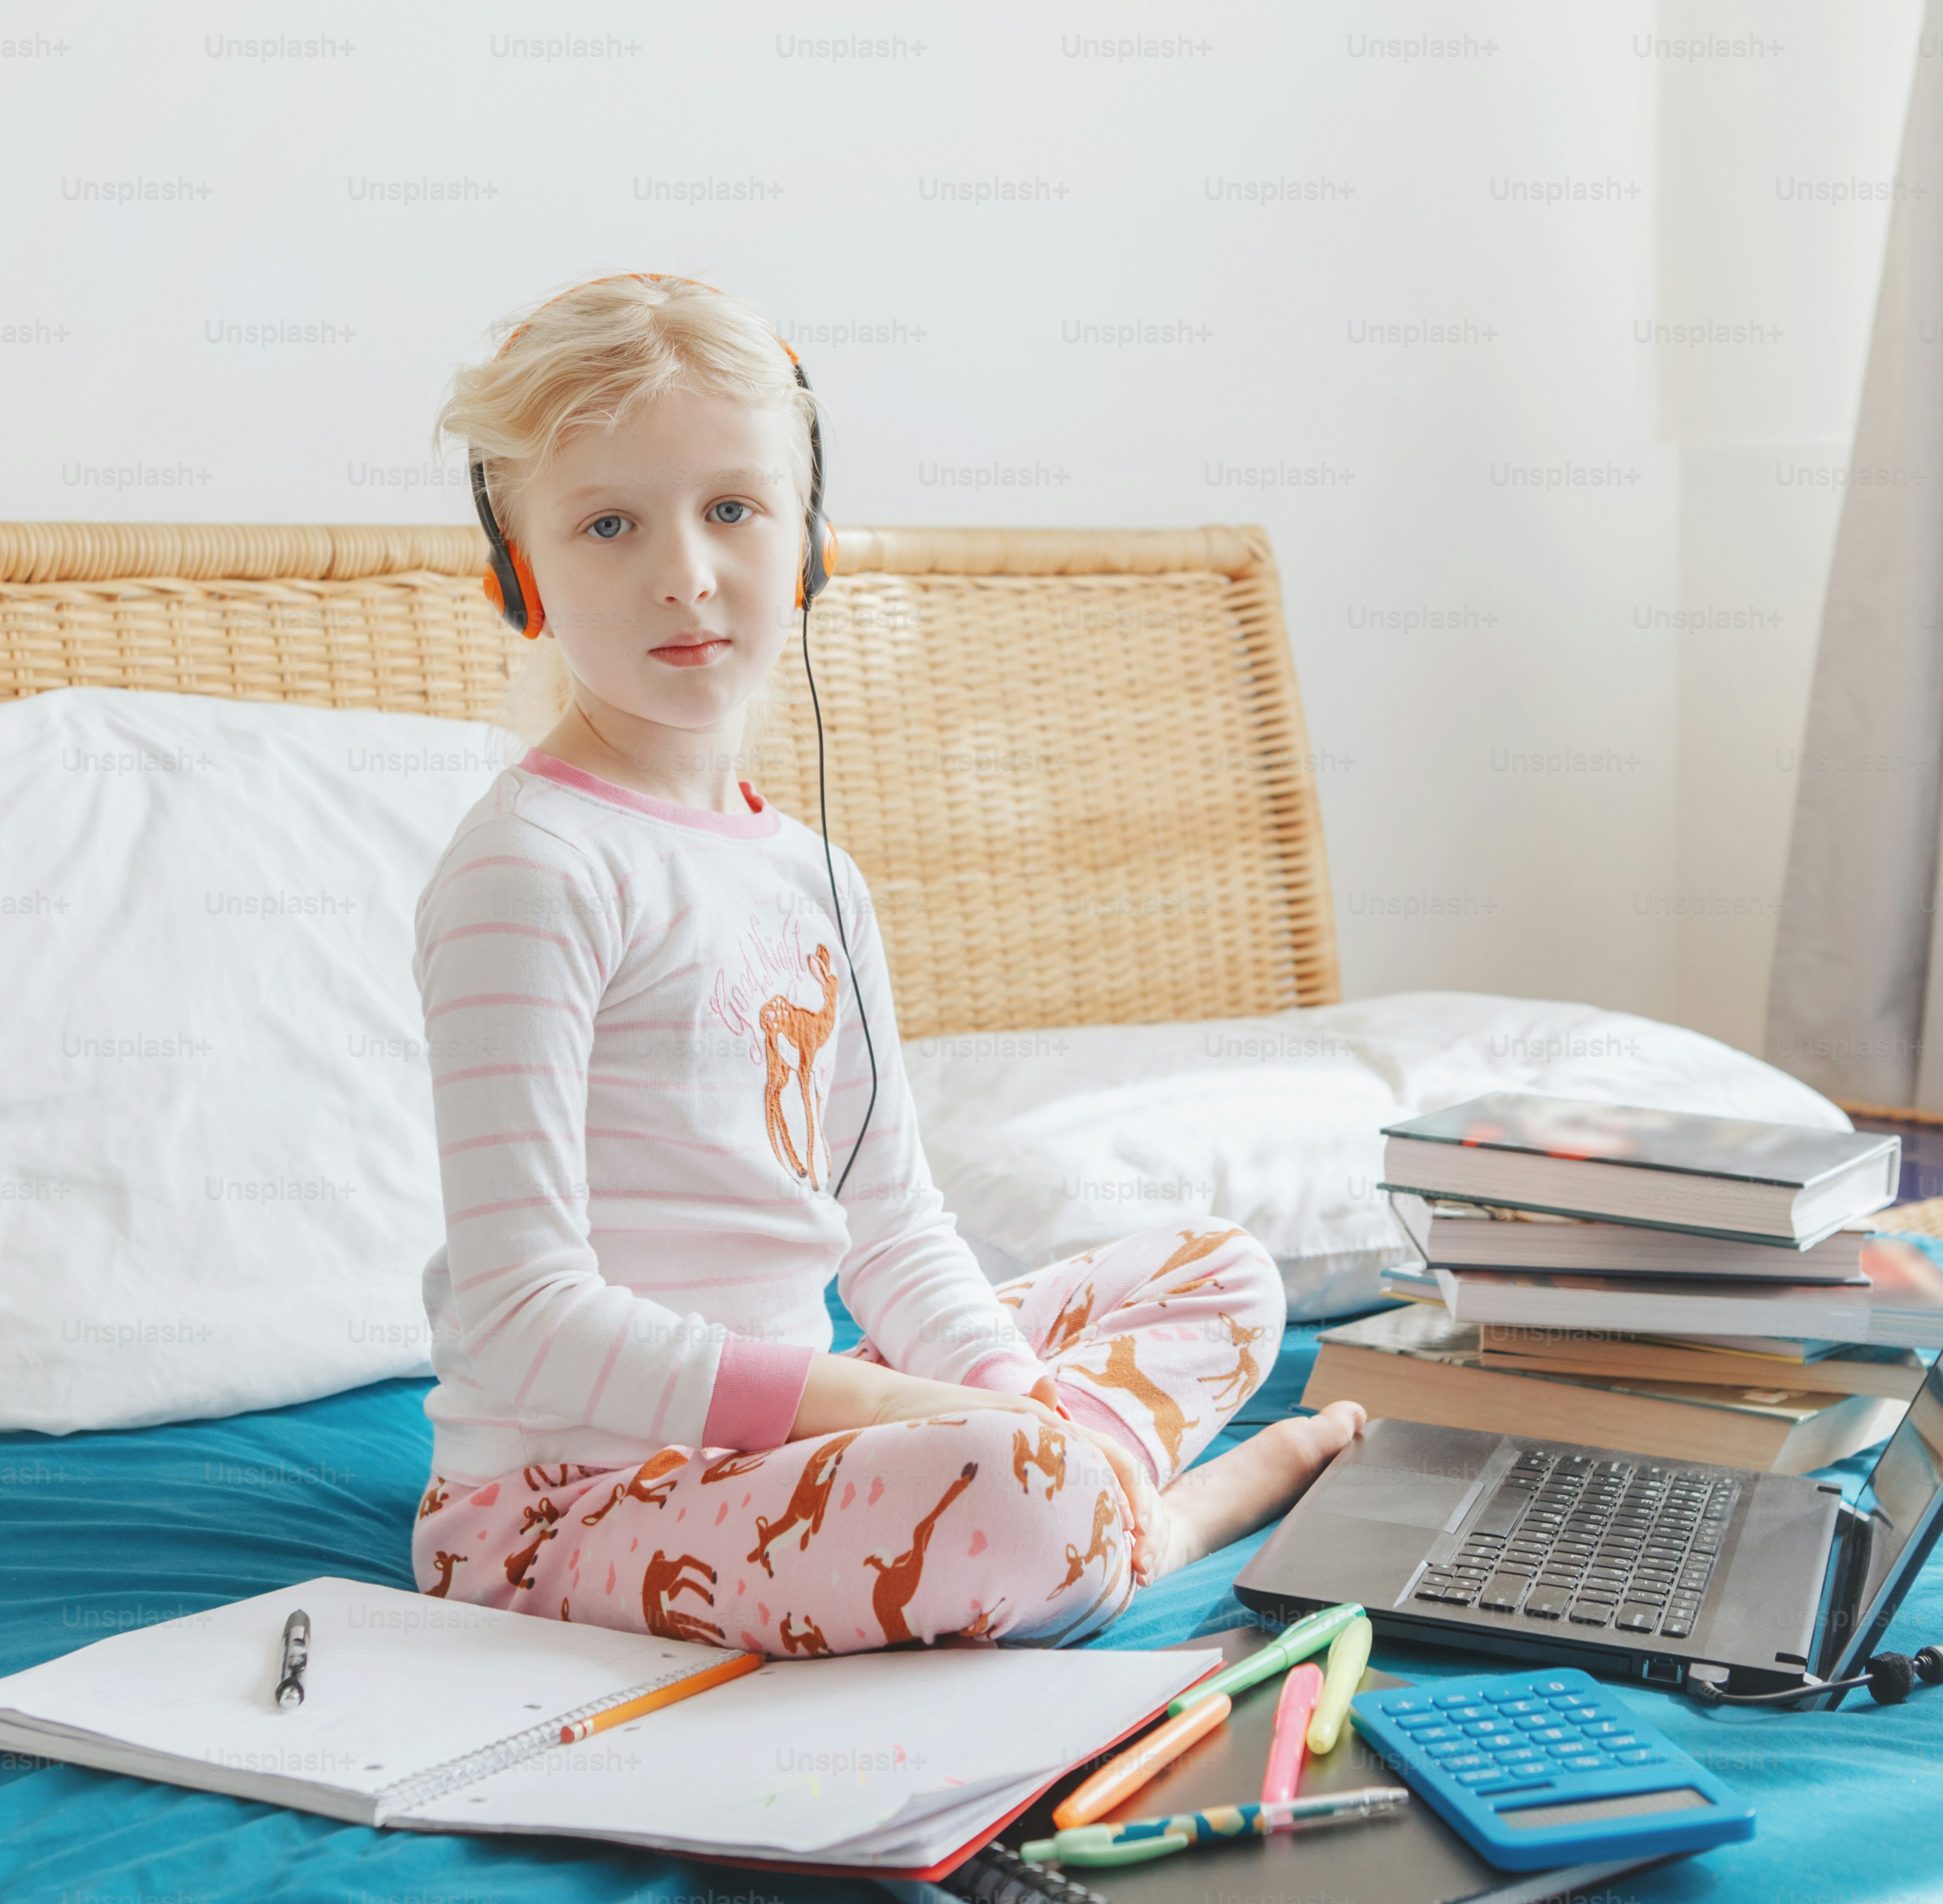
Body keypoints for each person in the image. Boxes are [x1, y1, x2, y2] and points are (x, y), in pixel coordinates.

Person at [408, 274, 1362, 1655]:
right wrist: (903, 1415)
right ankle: (1142, 1521)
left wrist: (990, 1389)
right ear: (521, 579)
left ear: (808, 547)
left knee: (1224, 1276)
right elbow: (523, 1318)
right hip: (566, 1504)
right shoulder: (531, 868)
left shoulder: (819, 878)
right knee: (1023, 1496)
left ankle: (1083, 1503)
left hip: (790, 1434)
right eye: (609, 523)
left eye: (732, 509)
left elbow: (894, 1223)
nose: (685, 569)